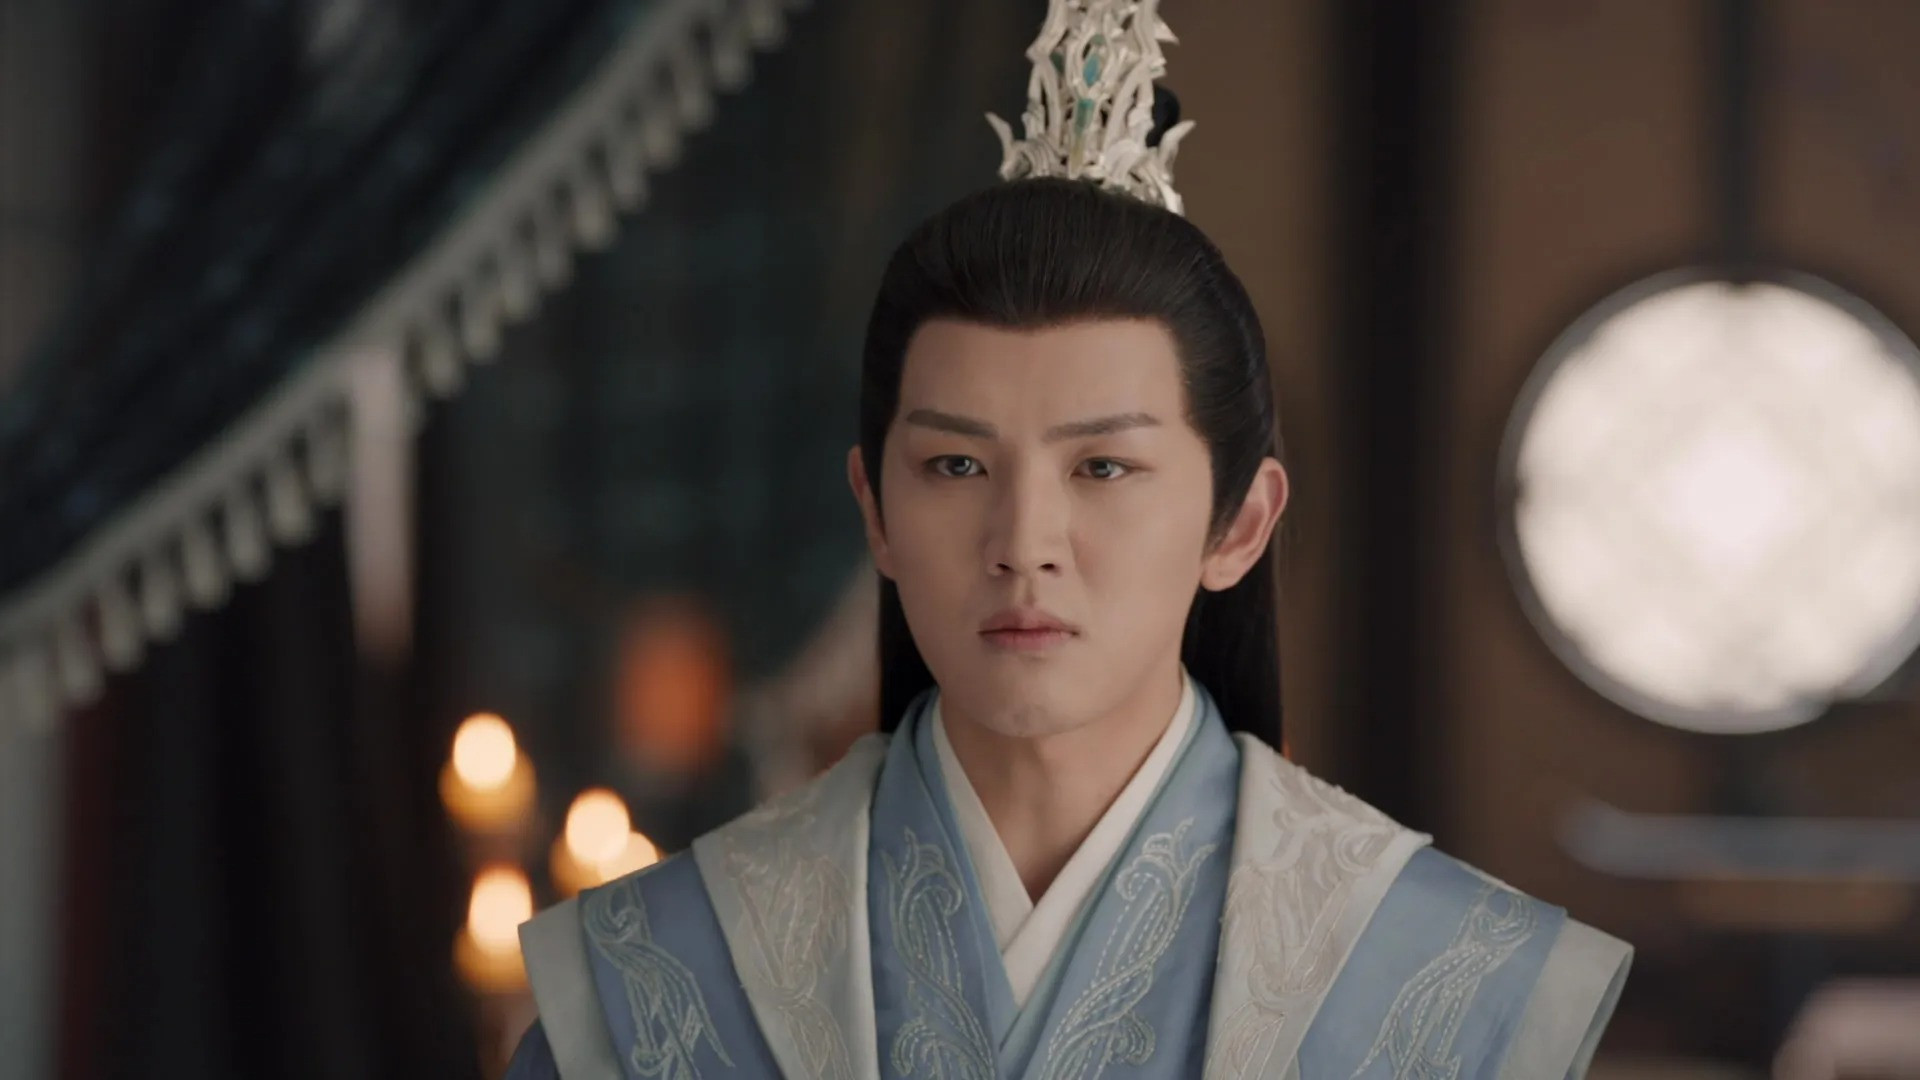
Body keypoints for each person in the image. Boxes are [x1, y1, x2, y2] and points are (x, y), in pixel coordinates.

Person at [506, 3, 1631, 1077]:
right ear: (875, 512)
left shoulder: (1446, 978)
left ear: (1240, 523)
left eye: (1102, 468)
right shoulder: (659, 977)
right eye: (956, 466)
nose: (1024, 543)